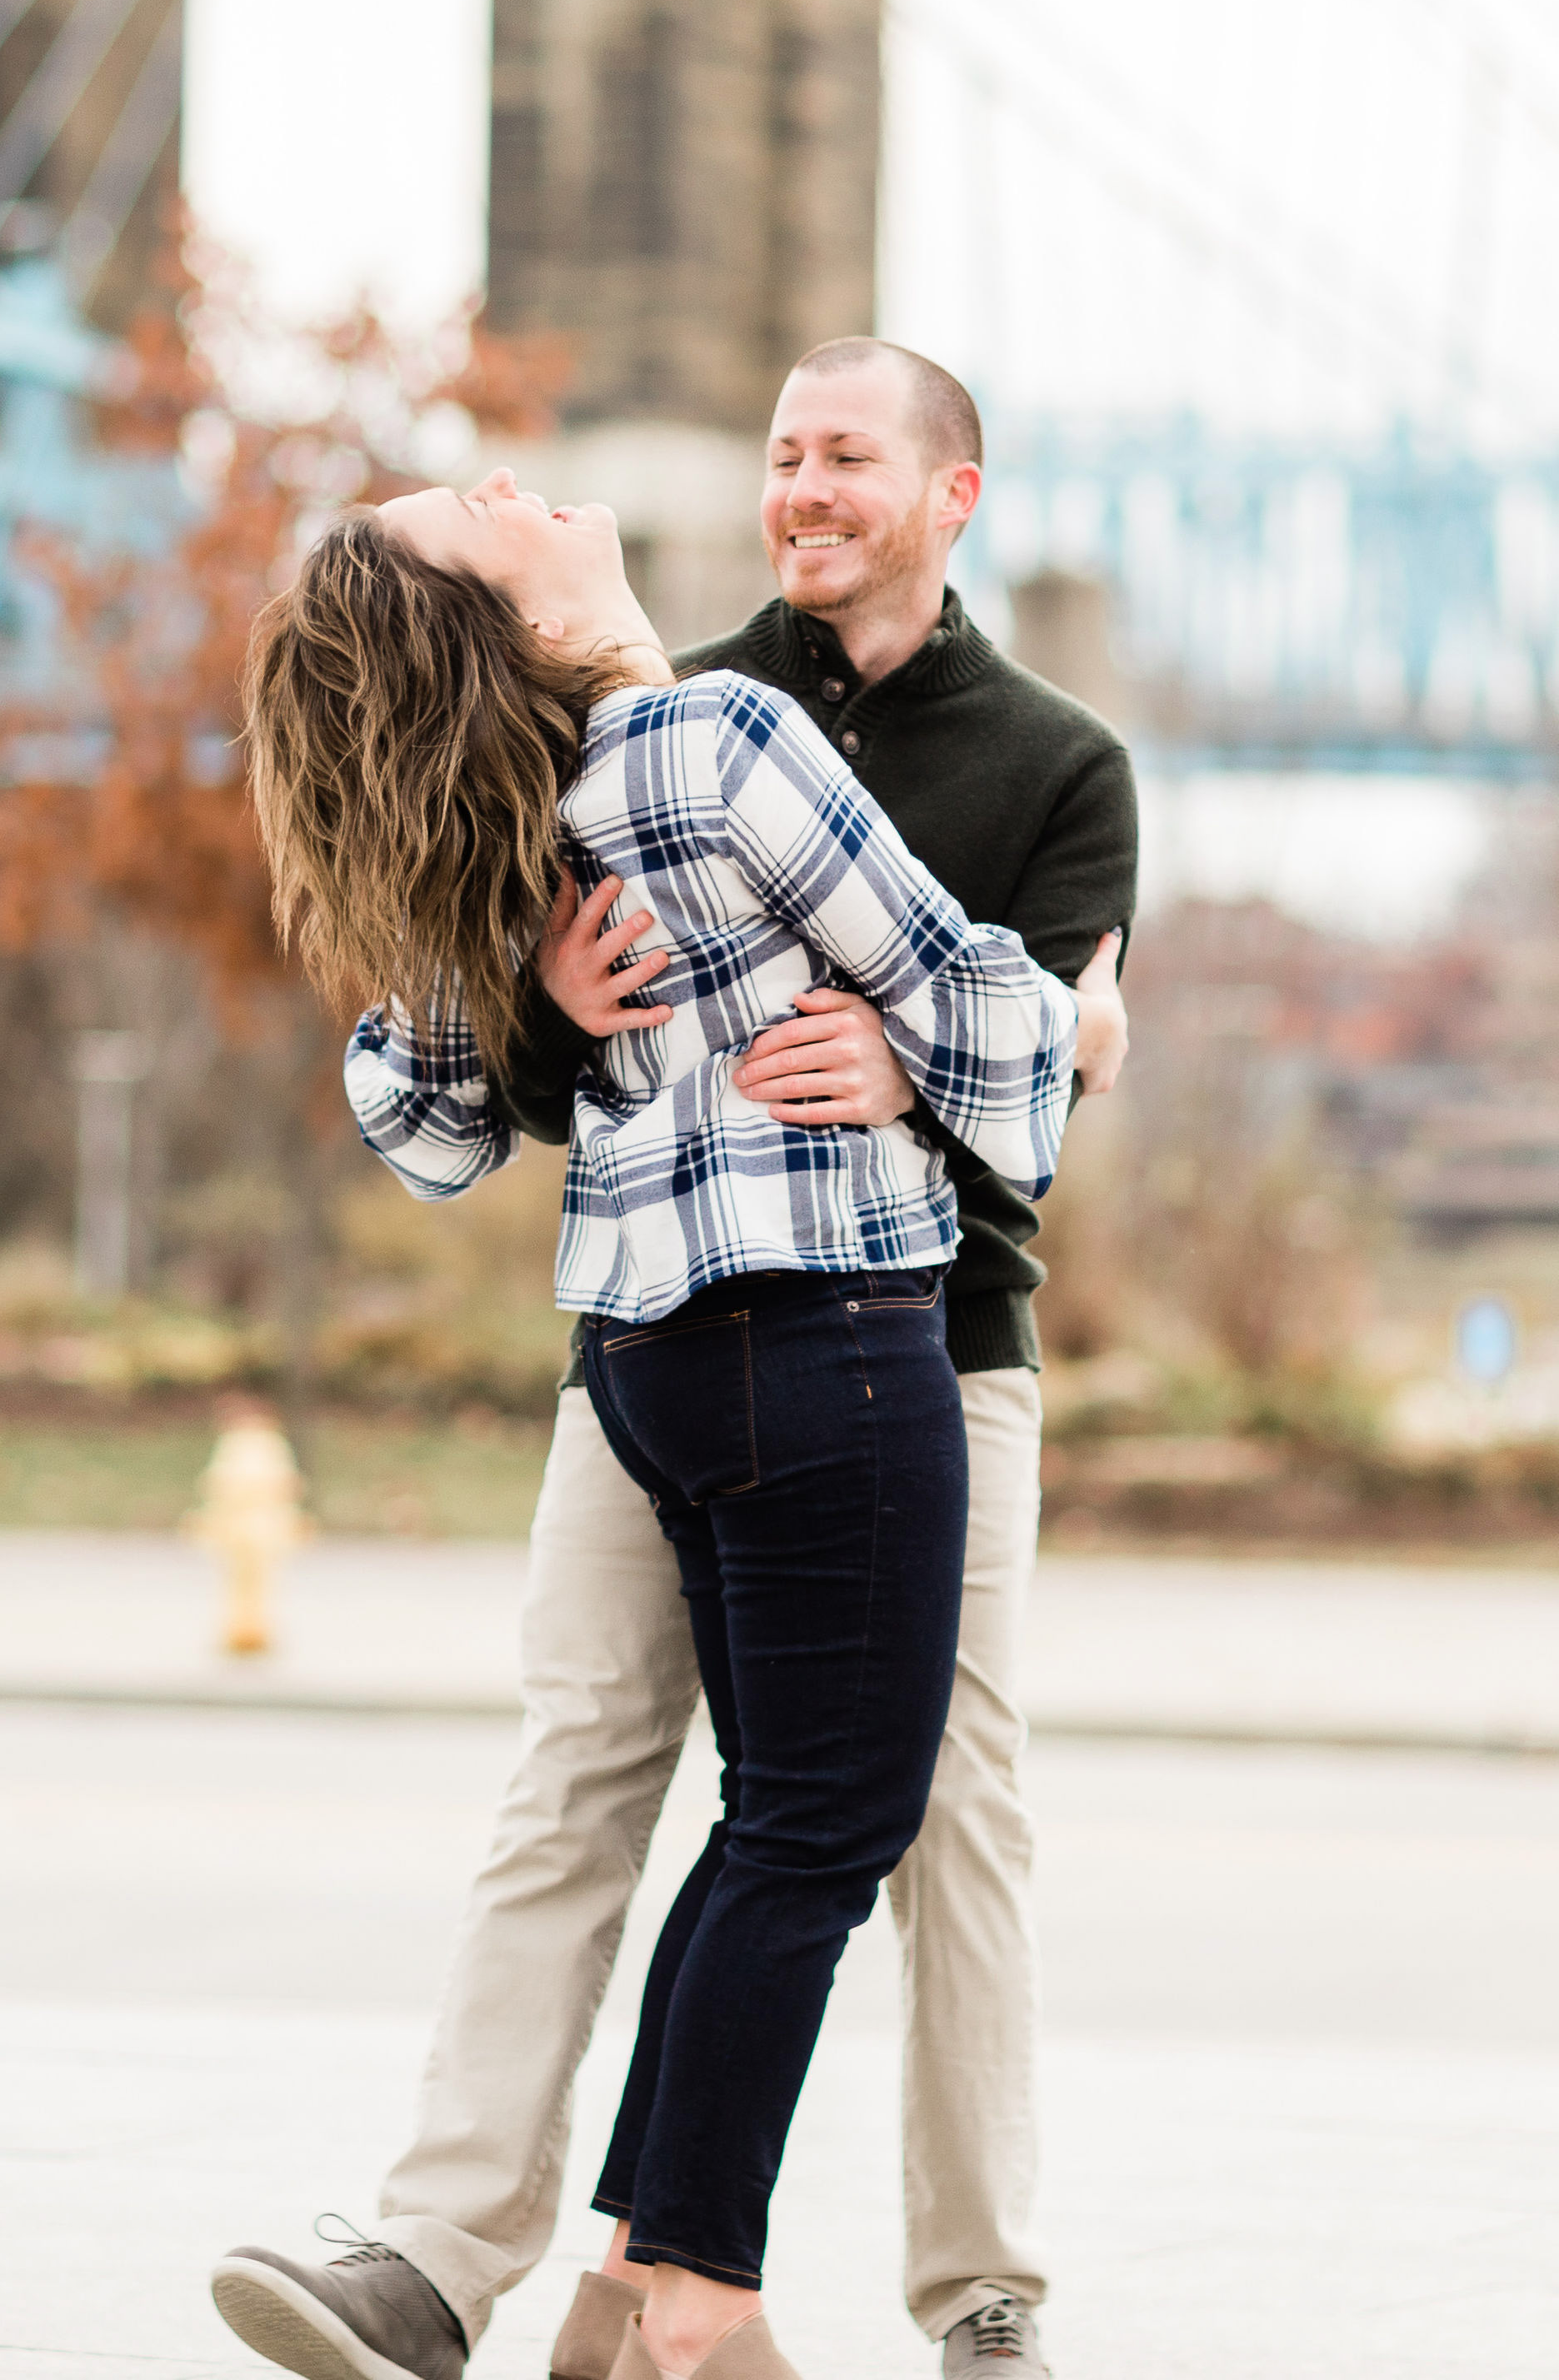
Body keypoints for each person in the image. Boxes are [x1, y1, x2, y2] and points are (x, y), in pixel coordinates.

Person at [213, 340, 1137, 2380]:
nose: (802, 483)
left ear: (949, 493)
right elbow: (1007, 1037)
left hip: (849, 1337)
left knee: (923, 1816)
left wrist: (927, 1042)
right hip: (795, 1344)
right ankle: (513, 2267)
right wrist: (542, 993)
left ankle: (926, 2287)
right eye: (783, 448)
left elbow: (434, 1122)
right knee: (705, 1804)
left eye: (847, 454)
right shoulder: (690, 715)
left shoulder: (1060, 761)